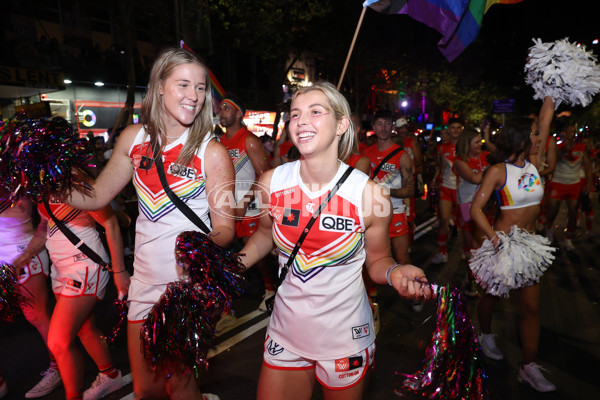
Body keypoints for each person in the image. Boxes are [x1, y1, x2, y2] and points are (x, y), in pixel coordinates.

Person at [239, 82, 432, 400]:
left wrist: (394, 272)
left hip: (345, 338)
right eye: (296, 114)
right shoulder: (271, 182)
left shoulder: (370, 193)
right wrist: (231, 265)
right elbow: (263, 234)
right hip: (286, 331)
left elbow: (378, 261)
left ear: (342, 124)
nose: (301, 120)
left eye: (316, 112)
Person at [66, 47, 235, 400]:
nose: (194, 96)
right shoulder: (134, 139)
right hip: (143, 283)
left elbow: (225, 228)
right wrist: (45, 179)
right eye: (184, 85)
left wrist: (198, 246)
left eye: (201, 88)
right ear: (159, 85)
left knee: (181, 384)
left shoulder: (212, 152)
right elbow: (96, 197)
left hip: (186, 289)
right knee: (146, 389)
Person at [470, 97, 556, 393]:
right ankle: (485, 334)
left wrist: (551, 95)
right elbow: (475, 210)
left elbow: (545, 124)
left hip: (530, 248)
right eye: (531, 134)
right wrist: (495, 240)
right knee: (491, 297)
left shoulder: (534, 164)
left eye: (536, 134)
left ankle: (529, 367)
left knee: (531, 309)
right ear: (519, 139)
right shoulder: (498, 171)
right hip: (503, 248)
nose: (537, 138)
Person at [36, 175, 130, 400]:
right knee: (85, 328)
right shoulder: (40, 182)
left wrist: (119, 271)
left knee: (57, 341)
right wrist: (24, 256)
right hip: (61, 269)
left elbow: (110, 222)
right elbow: (45, 225)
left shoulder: (74, 181)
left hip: (84, 268)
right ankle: (110, 374)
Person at [217, 92, 274, 314]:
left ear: (239, 113)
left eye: (227, 108)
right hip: (227, 206)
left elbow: (264, 175)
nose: (222, 112)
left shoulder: (249, 140)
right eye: (221, 108)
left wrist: (244, 202)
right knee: (226, 250)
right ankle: (226, 294)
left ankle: (270, 290)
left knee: (256, 251)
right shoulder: (219, 142)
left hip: (250, 207)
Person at [0, 196, 61, 398]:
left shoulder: (17, 173)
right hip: (4, 257)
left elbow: (42, 217)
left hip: (23, 252)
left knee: (36, 315)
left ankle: (59, 366)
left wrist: (27, 253)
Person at [452, 128, 490, 297]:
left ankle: (478, 276)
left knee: (483, 243)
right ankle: (471, 280)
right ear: (467, 144)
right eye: (477, 142)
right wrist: (492, 171)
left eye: (481, 141)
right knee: (471, 246)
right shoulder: (459, 162)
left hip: (484, 206)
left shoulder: (485, 156)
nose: (480, 144)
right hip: (466, 207)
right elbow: (474, 179)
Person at [544, 122, 592, 250]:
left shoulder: (582, 147)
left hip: (574, 184)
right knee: (553, 210)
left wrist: (588, 183)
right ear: (564, 133)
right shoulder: (558, 147)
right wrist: (565, 149)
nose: (571, 134)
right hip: (558, 182)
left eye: (573, 132)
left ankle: (568, 239)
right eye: (569, 132)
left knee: (573, 212)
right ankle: (548, 228)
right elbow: (553, 161)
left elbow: (587, 166)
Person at [431, 118, 463, 263]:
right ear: (448, 130)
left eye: (458, 127)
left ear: (461, 130)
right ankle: (442, 253)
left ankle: (466, 250)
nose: (455, 130)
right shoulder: (442, 148)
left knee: (464, 224)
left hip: (462, 190)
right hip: (446, 188)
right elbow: (441, 167)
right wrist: (435, 181)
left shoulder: (465, 147)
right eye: (452, 127)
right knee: (444, 221)